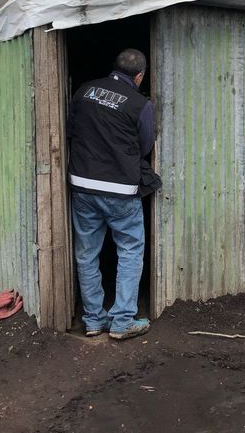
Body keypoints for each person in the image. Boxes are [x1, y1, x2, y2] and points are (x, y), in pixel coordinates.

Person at [67, 48, 155, 340]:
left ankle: (93, 320)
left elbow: (71, 130)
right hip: (120, 190)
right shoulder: (140, 104)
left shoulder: (83, 92)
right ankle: (122, 321)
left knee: (86, 253)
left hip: (83, 186)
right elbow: (145, 146)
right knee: (130, 251)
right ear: (139, 76)